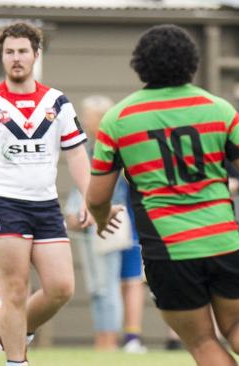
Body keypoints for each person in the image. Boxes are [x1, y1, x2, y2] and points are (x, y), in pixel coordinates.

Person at [87, 24, 239, 366]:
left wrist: (103, 219)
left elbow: (96, 196)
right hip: (224, 241)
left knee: (202, 341)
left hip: (168, 251)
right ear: (191, 63)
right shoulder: (219, 109)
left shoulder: (118, 120)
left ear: (139, 64)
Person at [0, 22, 90, 366]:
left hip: (46, 205)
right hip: (1, 203)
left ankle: (13, 328)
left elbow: (76, 155)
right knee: (14, 288)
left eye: (22, 51)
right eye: (9, 52)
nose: (16, 58)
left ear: (36, 55)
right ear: (2, 56)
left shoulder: (57, 102)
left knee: (61, 287)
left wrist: (87, 198)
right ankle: (16, 360)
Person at [65, 95, 146, 353]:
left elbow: (106, 186)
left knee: (110, 284)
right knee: (99, 286)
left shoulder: (116, 147)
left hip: (113, 222)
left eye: (88, 115)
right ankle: (103, 341)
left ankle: (113, 341)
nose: (85, 120)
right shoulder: (87, 146)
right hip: (89, 223)